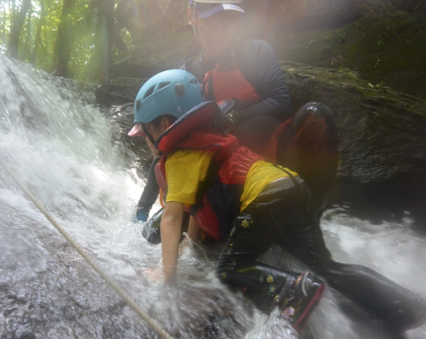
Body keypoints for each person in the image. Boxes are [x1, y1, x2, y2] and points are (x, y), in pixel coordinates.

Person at [129, 69, 426, 335]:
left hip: (266, 199)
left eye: (145, 132)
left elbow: (171, 218)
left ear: (164, 123)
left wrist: (166, 275)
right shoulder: (207, 141)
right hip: (292, 187)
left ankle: (295, 292)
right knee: (325, 267)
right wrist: (188, 245)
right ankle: (404, 306)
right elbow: (197, 206)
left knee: (230, 269)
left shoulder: (180, 159)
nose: (145, 140)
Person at [135, 0, 337, 227]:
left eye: (226, 21)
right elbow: (168, 144)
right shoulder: (184, 78)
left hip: (269, 163)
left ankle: (307, 220)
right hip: (218, 184)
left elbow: (282, 102)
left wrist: (234, 117)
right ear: (191, 16)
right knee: (154, 229)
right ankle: (208, 228)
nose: (219, 30)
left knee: (317, 117)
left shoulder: (256, 52)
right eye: (210, 21)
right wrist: (142, 207)